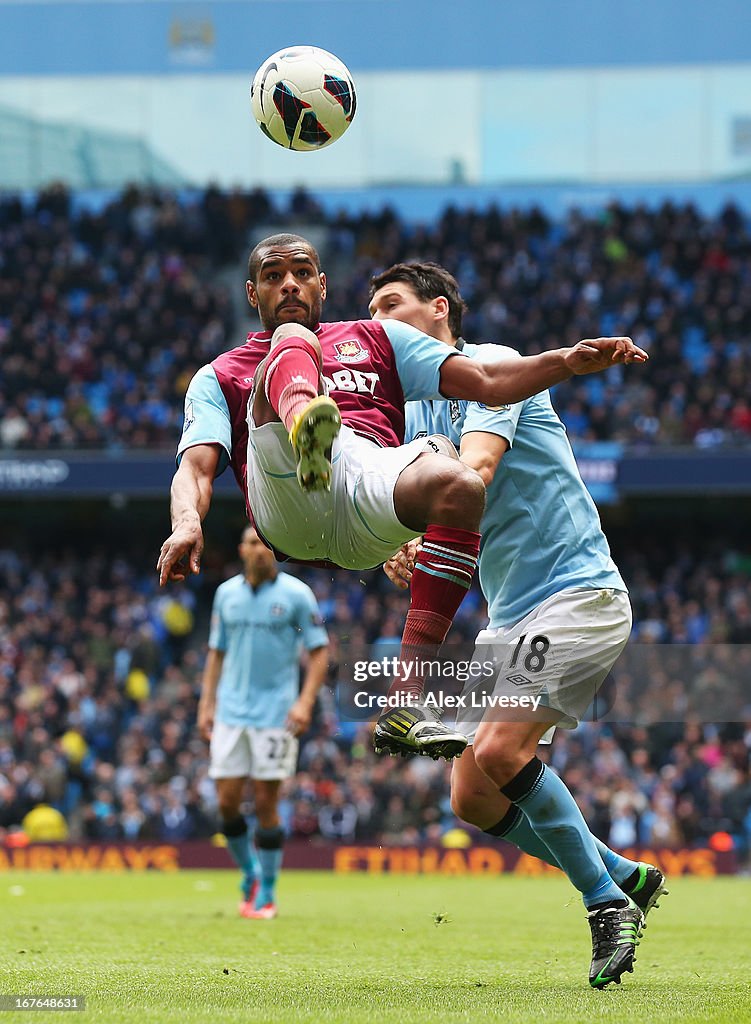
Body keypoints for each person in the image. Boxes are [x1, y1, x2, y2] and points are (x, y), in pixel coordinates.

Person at [158, 232, 647, 762]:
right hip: (286, 495)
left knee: (458, 484)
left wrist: (566, 362)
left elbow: (485, 378)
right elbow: (195, 468)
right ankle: (306, 430)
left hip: (365, 483)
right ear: (252, 294)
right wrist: (187, 522)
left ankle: (408, 700)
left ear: (323, 284)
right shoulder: (218, 375)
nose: (290, 285)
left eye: (302, 273)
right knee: (292, 343)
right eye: (274, 277)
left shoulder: (378, 339)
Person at [371, 262, 667, 989]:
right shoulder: (412, 415)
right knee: (471, 797)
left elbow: (474, 470)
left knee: (502, 752)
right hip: (511, 620)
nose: (376, 323)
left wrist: (422, 511)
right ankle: (619, 872)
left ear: (439, 310)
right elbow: (409, 503)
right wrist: (396, 545)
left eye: (390, 306)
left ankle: (604, 904)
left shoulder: (491, 367)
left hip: (575, 594)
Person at [197, 525, 328, 919]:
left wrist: (305, 702)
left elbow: (320, 652)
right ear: (241, 550)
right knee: (226, 804)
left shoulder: (296, 596)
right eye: (253, 543)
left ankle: (267, 891)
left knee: (268, 803)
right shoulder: (226, 595)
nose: (260, 550)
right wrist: (207, 703)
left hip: (276, 715)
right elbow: (216, 653)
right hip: (231, 713)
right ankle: (250, 871)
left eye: (266, 544)